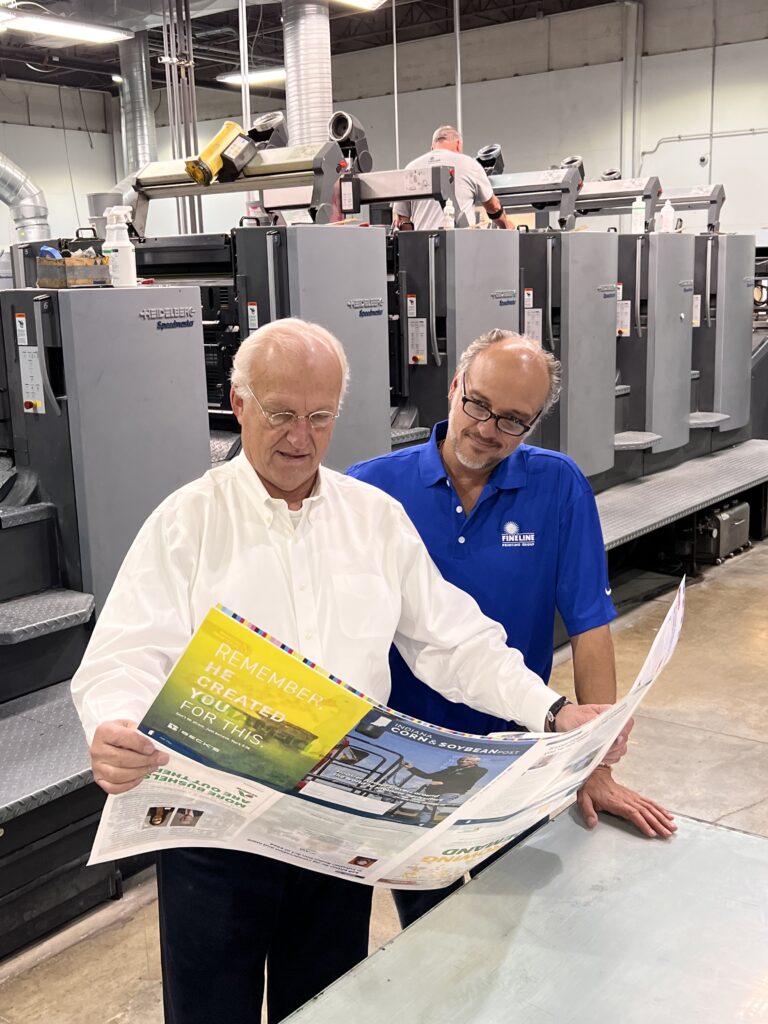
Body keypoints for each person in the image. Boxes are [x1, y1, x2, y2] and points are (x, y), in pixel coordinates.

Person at [70, 318, 627, 1024]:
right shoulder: (187, 523)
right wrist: (115, 723)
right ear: (238, 404)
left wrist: (551, 711)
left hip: (338, 834)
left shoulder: (373, 520)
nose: (300, 438)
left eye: (321, 417)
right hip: (217, 841)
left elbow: (454, 640)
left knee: (326, 1004)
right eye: (281, 414)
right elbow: (125, 653)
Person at [347, 329, 676, 926]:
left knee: (516, 924)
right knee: (433, 929)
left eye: (513, 420)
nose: (487, 429)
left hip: (517, 748)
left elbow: (590, 625)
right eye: (477, 404)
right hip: (408, 761)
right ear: (454, 387)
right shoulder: (370, 489)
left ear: (533, 423)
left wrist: (594, 765)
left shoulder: (558, 486)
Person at [392, 125, 512, 230]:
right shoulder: (470, 165)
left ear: (432, 147)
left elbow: (402, 219)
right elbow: (493, 207)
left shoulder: (410, 168)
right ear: (458, 145)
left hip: (421, 245)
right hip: (462, 245)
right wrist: (507, 226)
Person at [404, 755, 488, 824]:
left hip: (452, 791)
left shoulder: (480, 771)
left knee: (432, 806)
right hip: (436, 789)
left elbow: (465, 781)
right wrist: (411, 768)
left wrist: (442, 783)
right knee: (407, 792)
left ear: (475, 762)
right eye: (461, 759)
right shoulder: (451, 769)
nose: (463, 761)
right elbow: (428, 776)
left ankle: (421, 823)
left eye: (467, 760)